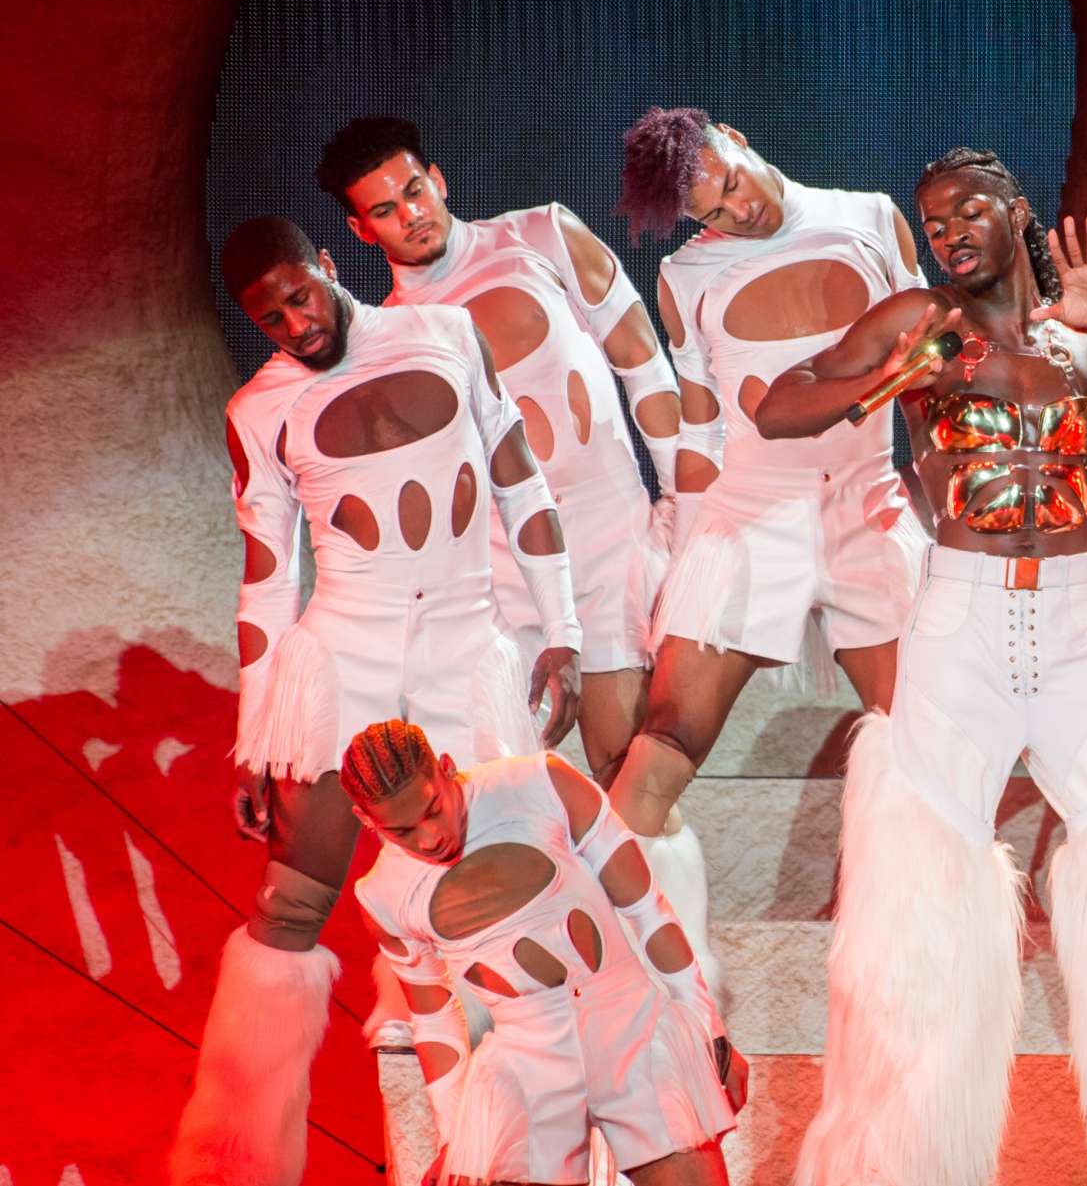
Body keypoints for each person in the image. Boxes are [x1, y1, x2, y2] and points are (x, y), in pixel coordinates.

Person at [752, 148, 1087, 1186]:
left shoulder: (1073, 334)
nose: (948, 234)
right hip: (963, 622)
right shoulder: (918, 319)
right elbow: (779, 405)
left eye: (967, 213)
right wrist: (891, 377)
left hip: (1078, 622)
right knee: (918, 915)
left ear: (1015, 211)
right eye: (932, 223)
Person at [170, 216, 580, 1186]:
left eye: (299, 297)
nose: (295, 324)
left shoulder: (444, 332)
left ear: (327, 264)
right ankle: (235, 1158)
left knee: (503, 886)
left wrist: (562, 631)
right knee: (291, 903)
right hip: (339, 659)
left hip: (464, 647)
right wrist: (255, 740)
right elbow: (268, 579)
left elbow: (520, 481)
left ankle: (515, 1147)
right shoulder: (260, 408)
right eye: (270, 318)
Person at [602, 108, 930, 994]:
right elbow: (700, 426)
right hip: (750, 515)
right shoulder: (684, 275)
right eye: (713, 211)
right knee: (665, 739)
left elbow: (925, 371)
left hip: (867, 504)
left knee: (920, 740)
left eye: (732, 183)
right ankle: (634, 975)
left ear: (737, 139)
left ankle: (912, 965)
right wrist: (682, 557)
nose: (738, 211)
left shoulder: (870, 217)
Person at [315, 115, 679, 777]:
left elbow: (644, 362)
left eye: (415, 191)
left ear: (438, 180)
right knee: (502, 783)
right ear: (362, 229)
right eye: (385, 211)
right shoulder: (391, 337)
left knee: (626, 767)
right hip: (503, 571)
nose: (411, 215)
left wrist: (684, 497)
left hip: (607, 537)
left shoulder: (542, 234)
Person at [342, 720, 744, 1185]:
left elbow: (647, 909)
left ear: (447, 768)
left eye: (434, 810)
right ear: (366, 820)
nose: (428, 838)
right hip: (526, 1061)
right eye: (402, 831)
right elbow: (434, 1017)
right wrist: (452, 1136)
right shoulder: (383, 893)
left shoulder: (539, 783)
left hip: (630, 1025)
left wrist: (708, 1028)